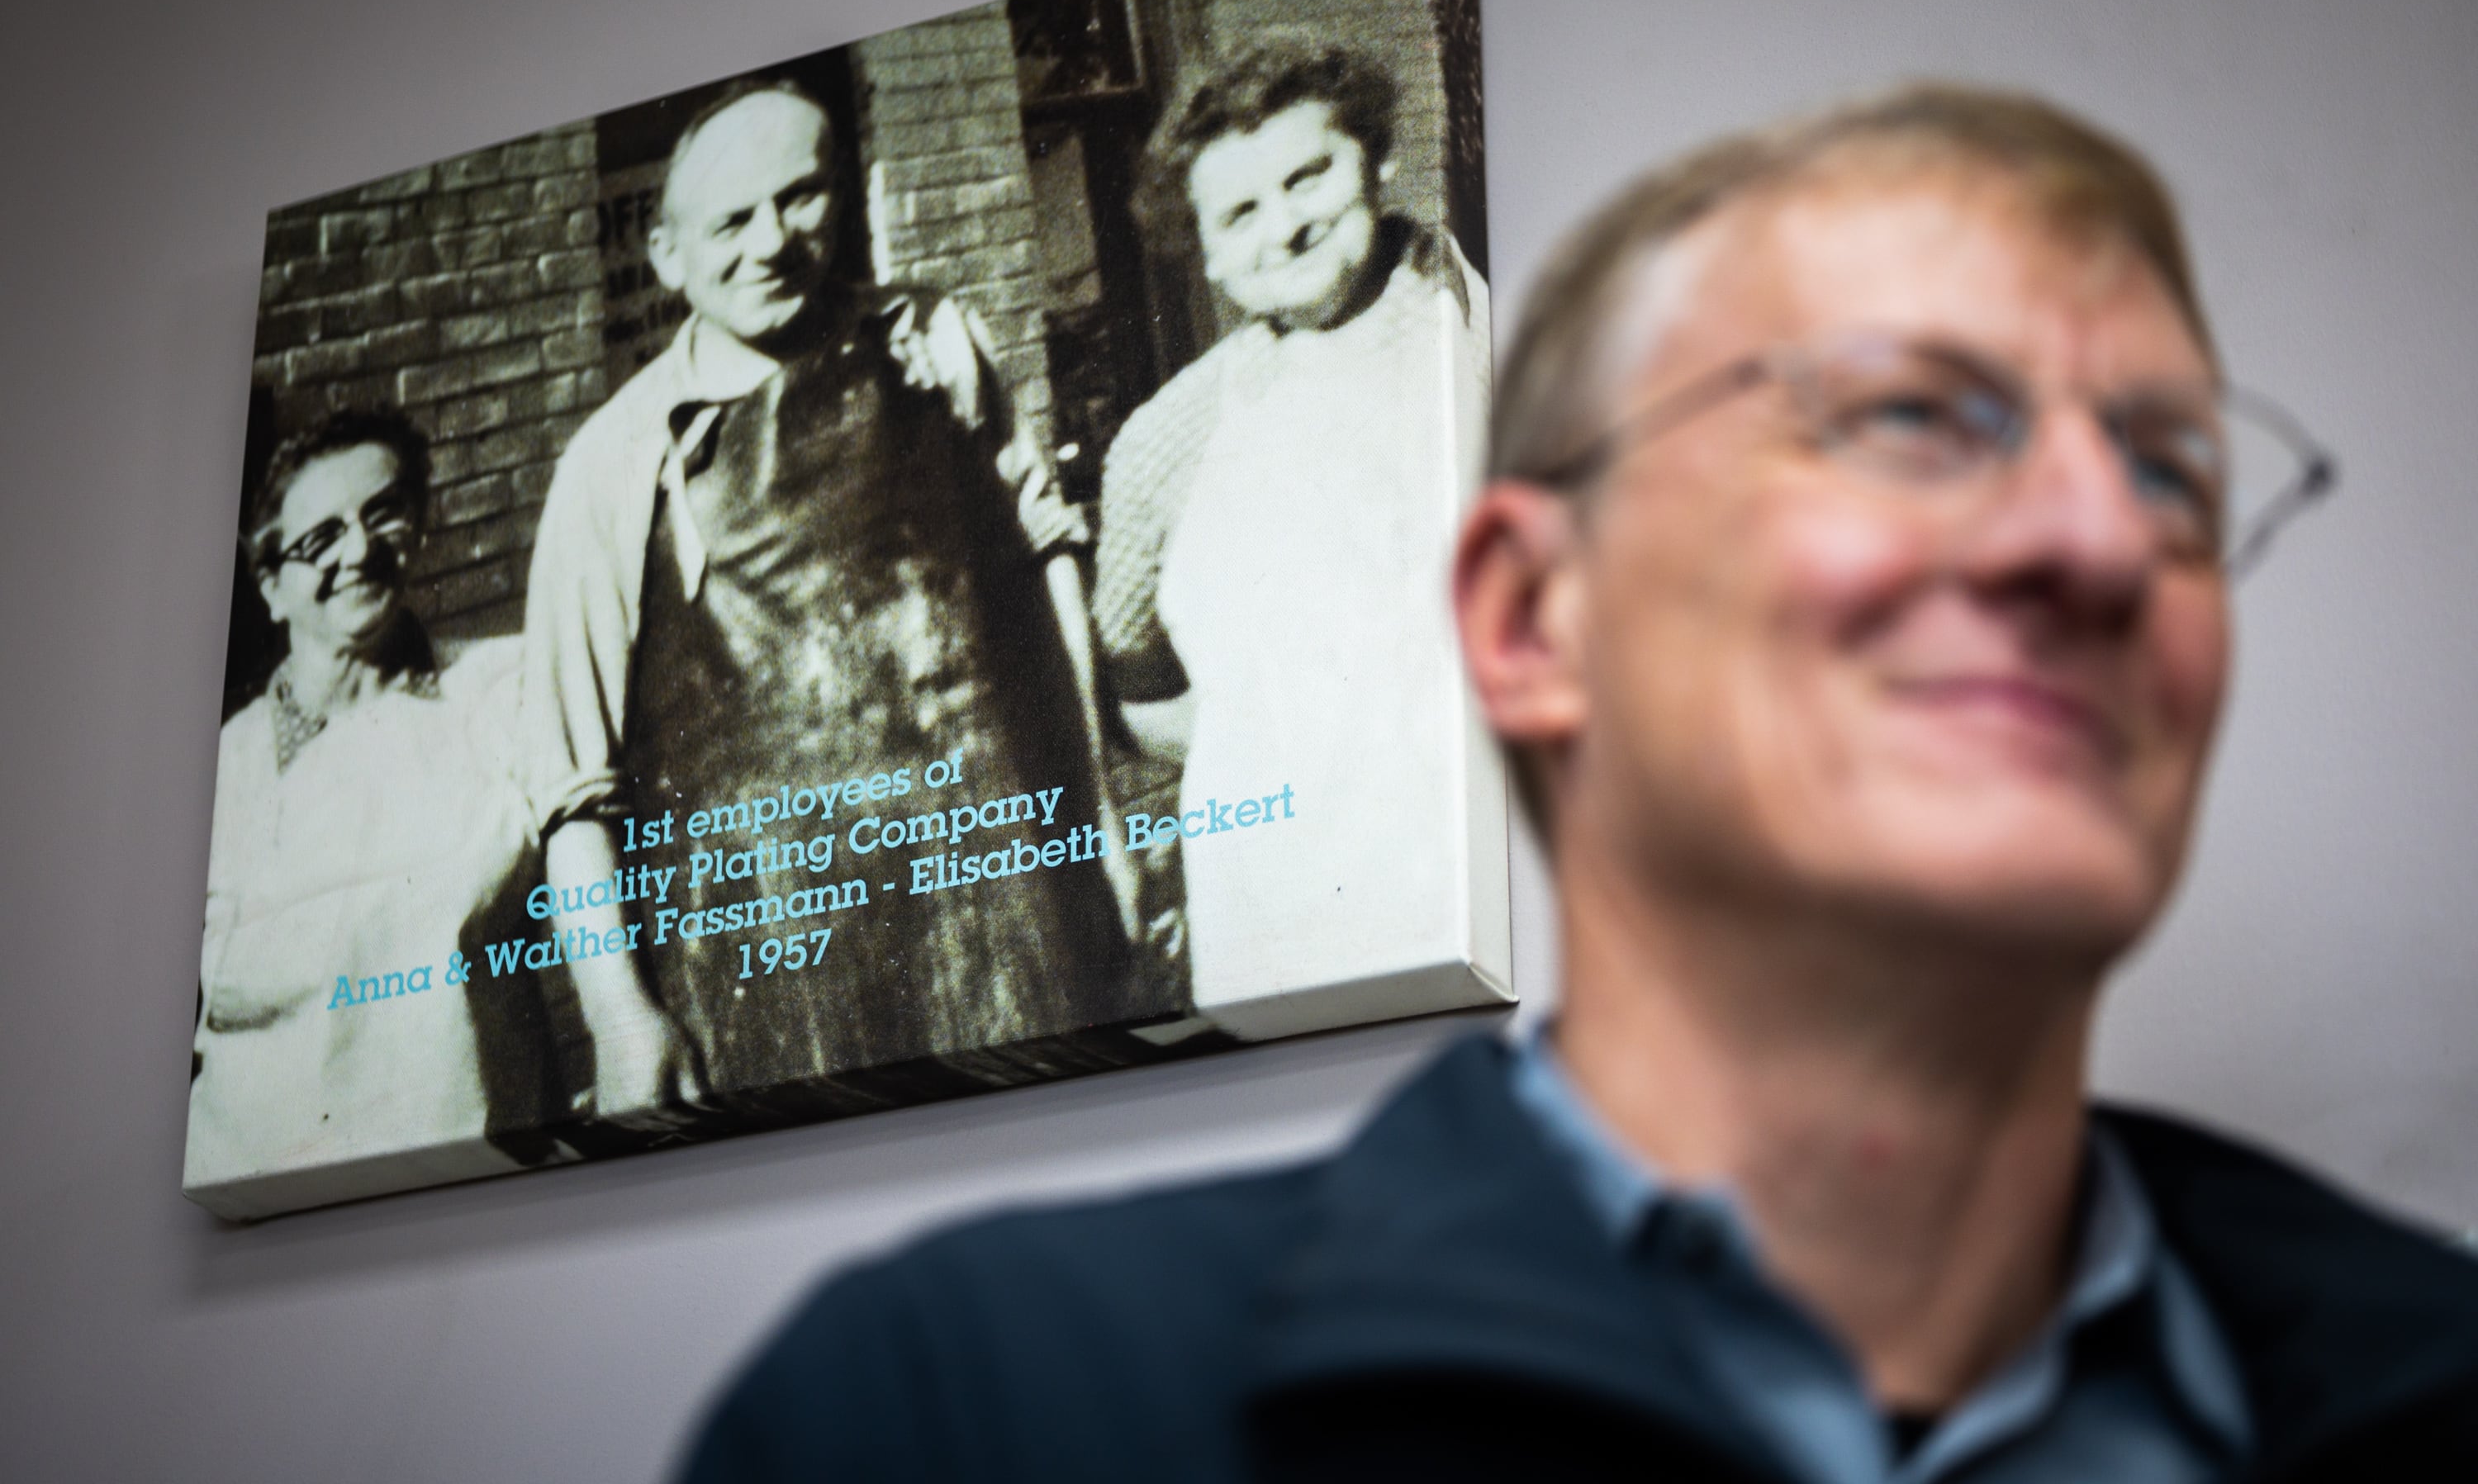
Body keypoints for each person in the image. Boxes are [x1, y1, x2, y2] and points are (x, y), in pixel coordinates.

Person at [676, 85, 2478, 1480]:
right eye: (1914, 419)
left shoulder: (2425, 1374)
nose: (2098, 540)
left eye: (2169, 470)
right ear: (1535, 619)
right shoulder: (972, 1412)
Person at [521, 82, 1137, 1129]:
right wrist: (619, 1013)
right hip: (769, 959)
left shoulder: (934, 343)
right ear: (666, 254)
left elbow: (1046, 574)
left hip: (999, 907)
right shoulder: (615, 462)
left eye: (800, 197)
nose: (772, 243)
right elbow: (571, 783)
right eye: (731, 221)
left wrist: (1100, 828)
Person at [1094, 34, 1499, 1033]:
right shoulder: (1167, 440)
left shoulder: (1489, 328)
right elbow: (1144, 691)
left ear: (1374, 158)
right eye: (1239, 212)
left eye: (1307, 175)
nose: (1283, 226)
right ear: (1202, 248)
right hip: (1288, 921)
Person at [187, 409, 541, 1218]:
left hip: (476, 1177)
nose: (359, 550)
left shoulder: (499, 690)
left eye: (382, 513)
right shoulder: (222, 770)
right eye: (321, 537)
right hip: (265, 1198)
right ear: (270, 587)